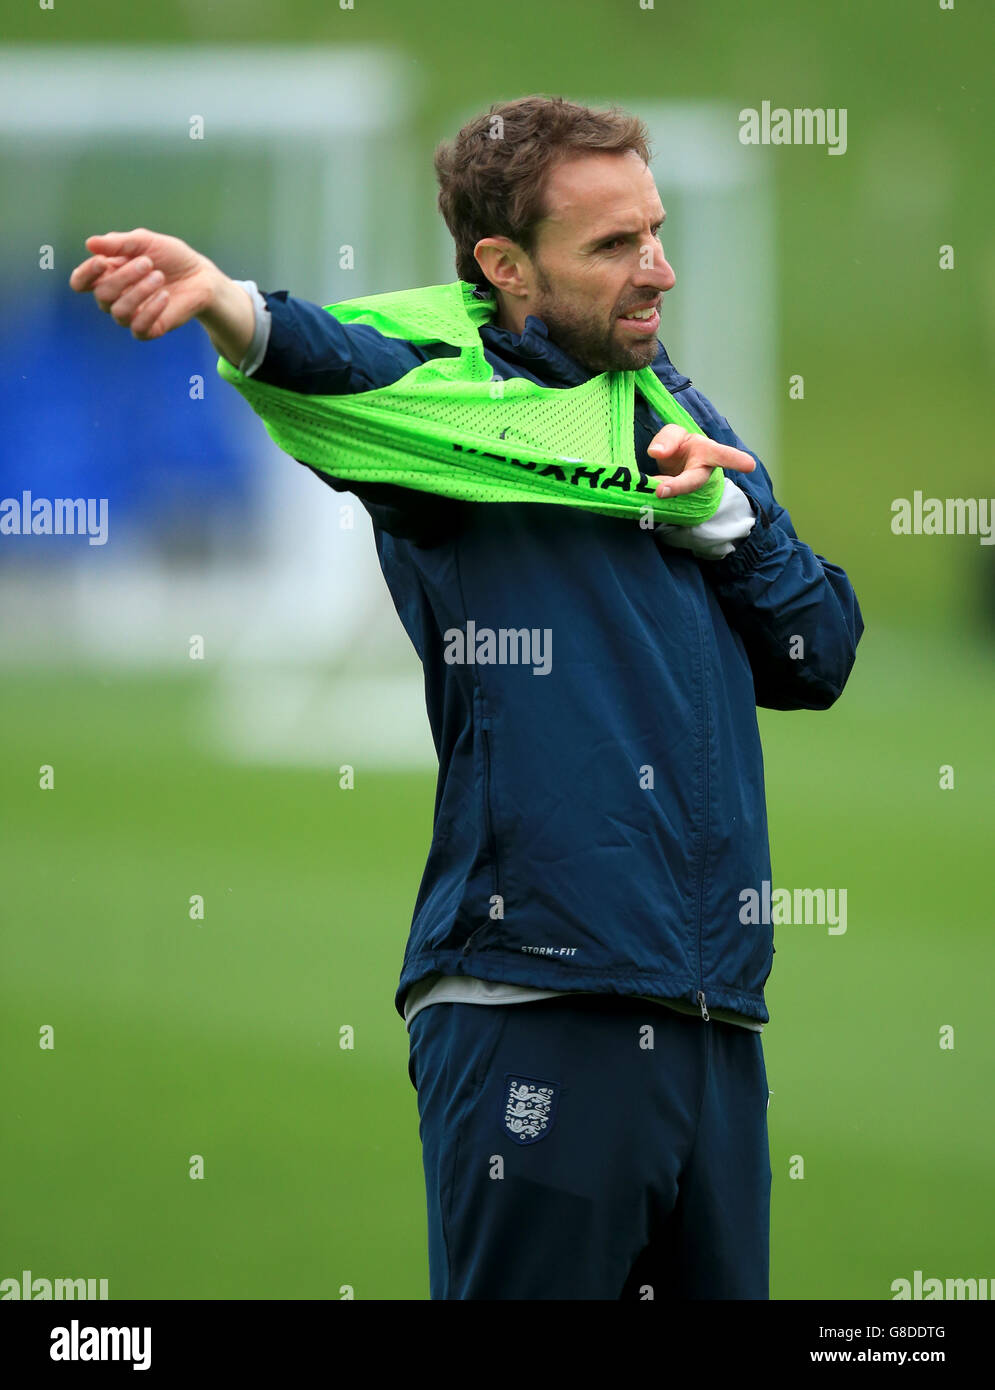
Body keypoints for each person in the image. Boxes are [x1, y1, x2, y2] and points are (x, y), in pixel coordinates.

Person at [69, 94, 864, 1300]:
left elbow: (818, 654)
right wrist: (232, 308)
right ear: (504, 266)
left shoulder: (672, 413)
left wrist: (729, 526)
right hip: (536, 998)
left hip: (711, 1017)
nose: (656, 269)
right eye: (610, 246)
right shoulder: (441, 399)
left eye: (652, 230)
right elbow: (333, 357)